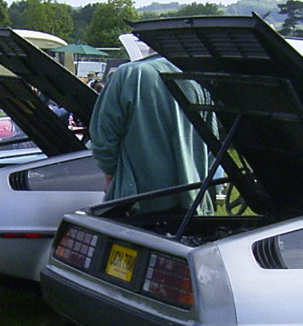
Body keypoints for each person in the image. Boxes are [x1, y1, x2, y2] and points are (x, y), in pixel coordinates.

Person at [88, 54, 214, 216]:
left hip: (137, 200)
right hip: (190, 197)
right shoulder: (198, 79)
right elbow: (212, 142)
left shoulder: (129, 74)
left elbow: (103, 135)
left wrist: (109, 175)